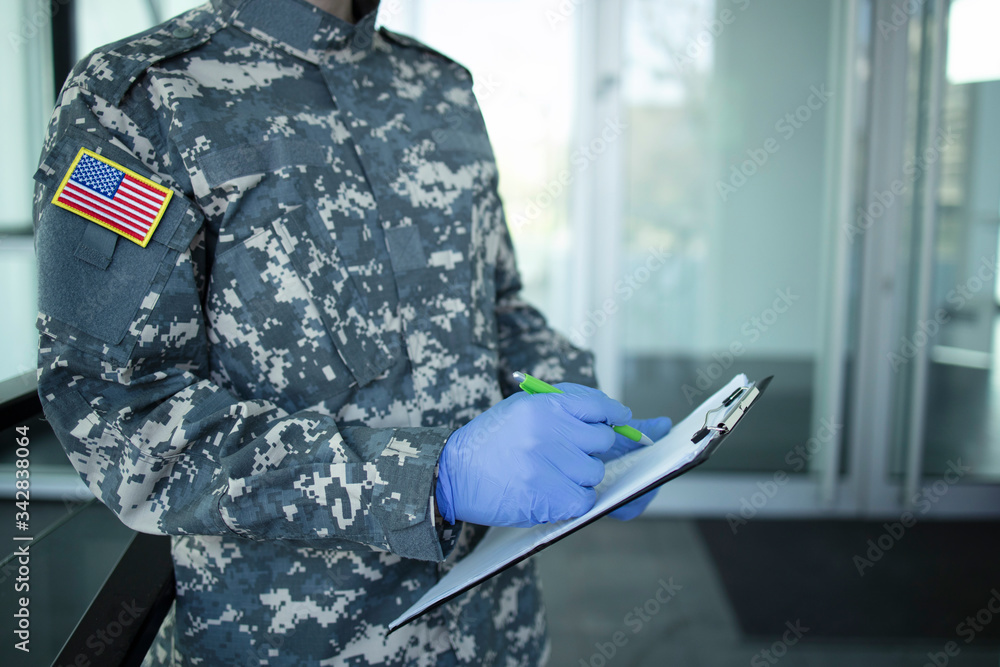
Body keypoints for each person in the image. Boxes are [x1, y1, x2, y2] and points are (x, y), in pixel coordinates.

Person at [32, 0, 671, 664]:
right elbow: (120, 416)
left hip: (494, 625)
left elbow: (499, 306)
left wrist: (577, 419)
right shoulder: (136, 100)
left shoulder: (440, 87)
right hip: (303, 640)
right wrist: (431, 477)